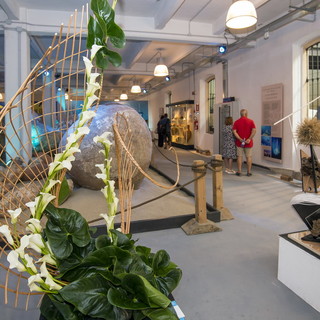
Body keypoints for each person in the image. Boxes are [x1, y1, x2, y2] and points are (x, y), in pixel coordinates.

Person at [232, 109, 256, 176]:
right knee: (249, 157)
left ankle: (239, 171)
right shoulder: (251, 121)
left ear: (240, 114)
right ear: (246, 114)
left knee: (239, 156)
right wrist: (249, 138)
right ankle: (248, 172)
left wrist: (239, 138)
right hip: (248, 143)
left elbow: (234, 131)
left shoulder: (236, 122)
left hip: (239, 143)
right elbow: (254, 130)